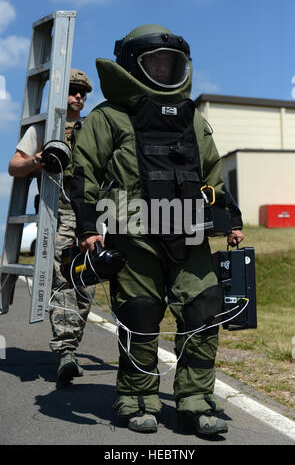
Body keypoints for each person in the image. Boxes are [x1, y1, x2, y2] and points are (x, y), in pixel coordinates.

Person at [70, 25, 244, 437]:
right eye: (156, 63)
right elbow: (83, 175)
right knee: (140, 316)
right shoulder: (108, 118)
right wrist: (88, 228)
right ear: (134, 66)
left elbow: (213, 179)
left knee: (203, 311)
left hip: (191, 236)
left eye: (171, 64)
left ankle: (196, 401)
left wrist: (231, 222)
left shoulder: (194, 123)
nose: (165, 70)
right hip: (134, 237)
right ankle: (136, 400)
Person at [8, 68, 96, 383]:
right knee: (64, 277)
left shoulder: (93, 127)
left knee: (88, 281)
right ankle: (66, 350)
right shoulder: (45, 127)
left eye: (83, 92)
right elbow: (14, 166)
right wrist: (39, 160)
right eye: (73, 90)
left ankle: (70, 344)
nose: (79, 97)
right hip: (57, 209)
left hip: (92, 212)